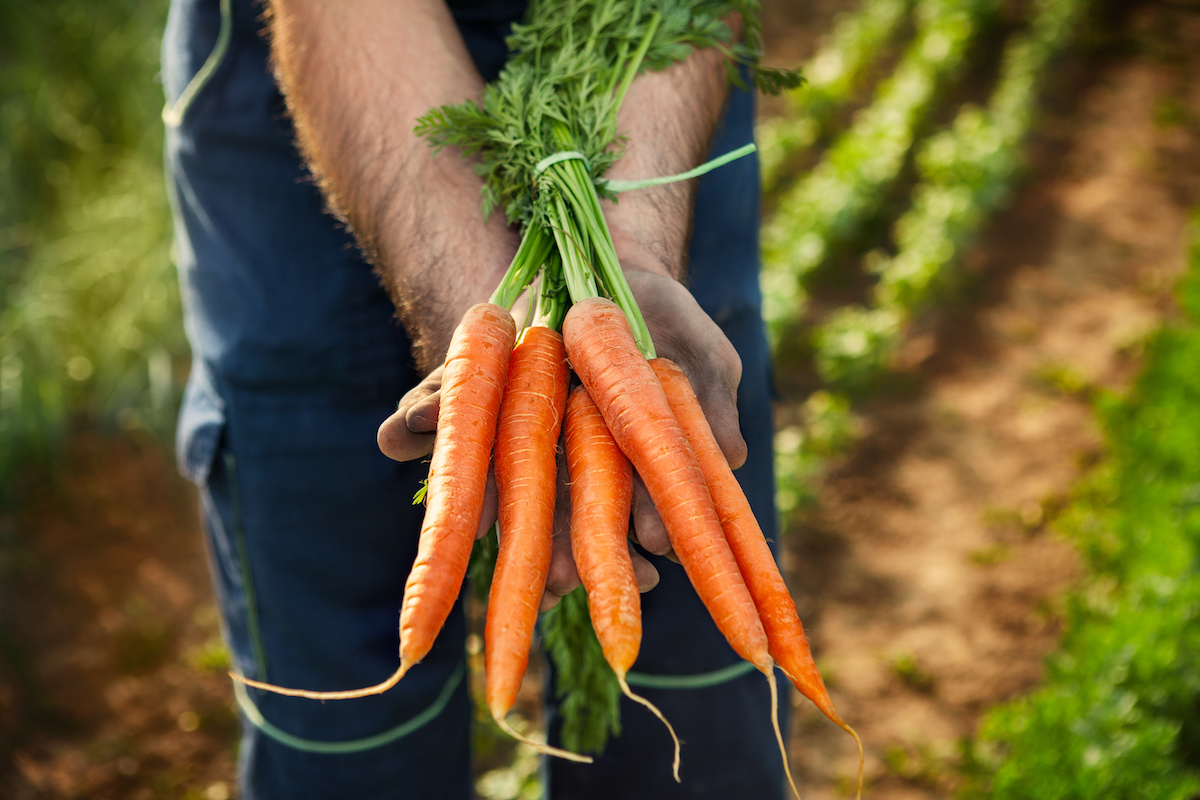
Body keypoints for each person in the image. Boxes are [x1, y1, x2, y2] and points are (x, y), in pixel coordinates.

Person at [163, 0, 786, 797]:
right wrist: (492, 337)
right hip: (316, 59)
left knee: (698, 689)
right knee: (350, 736)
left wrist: (633, 253)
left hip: (651, 70)